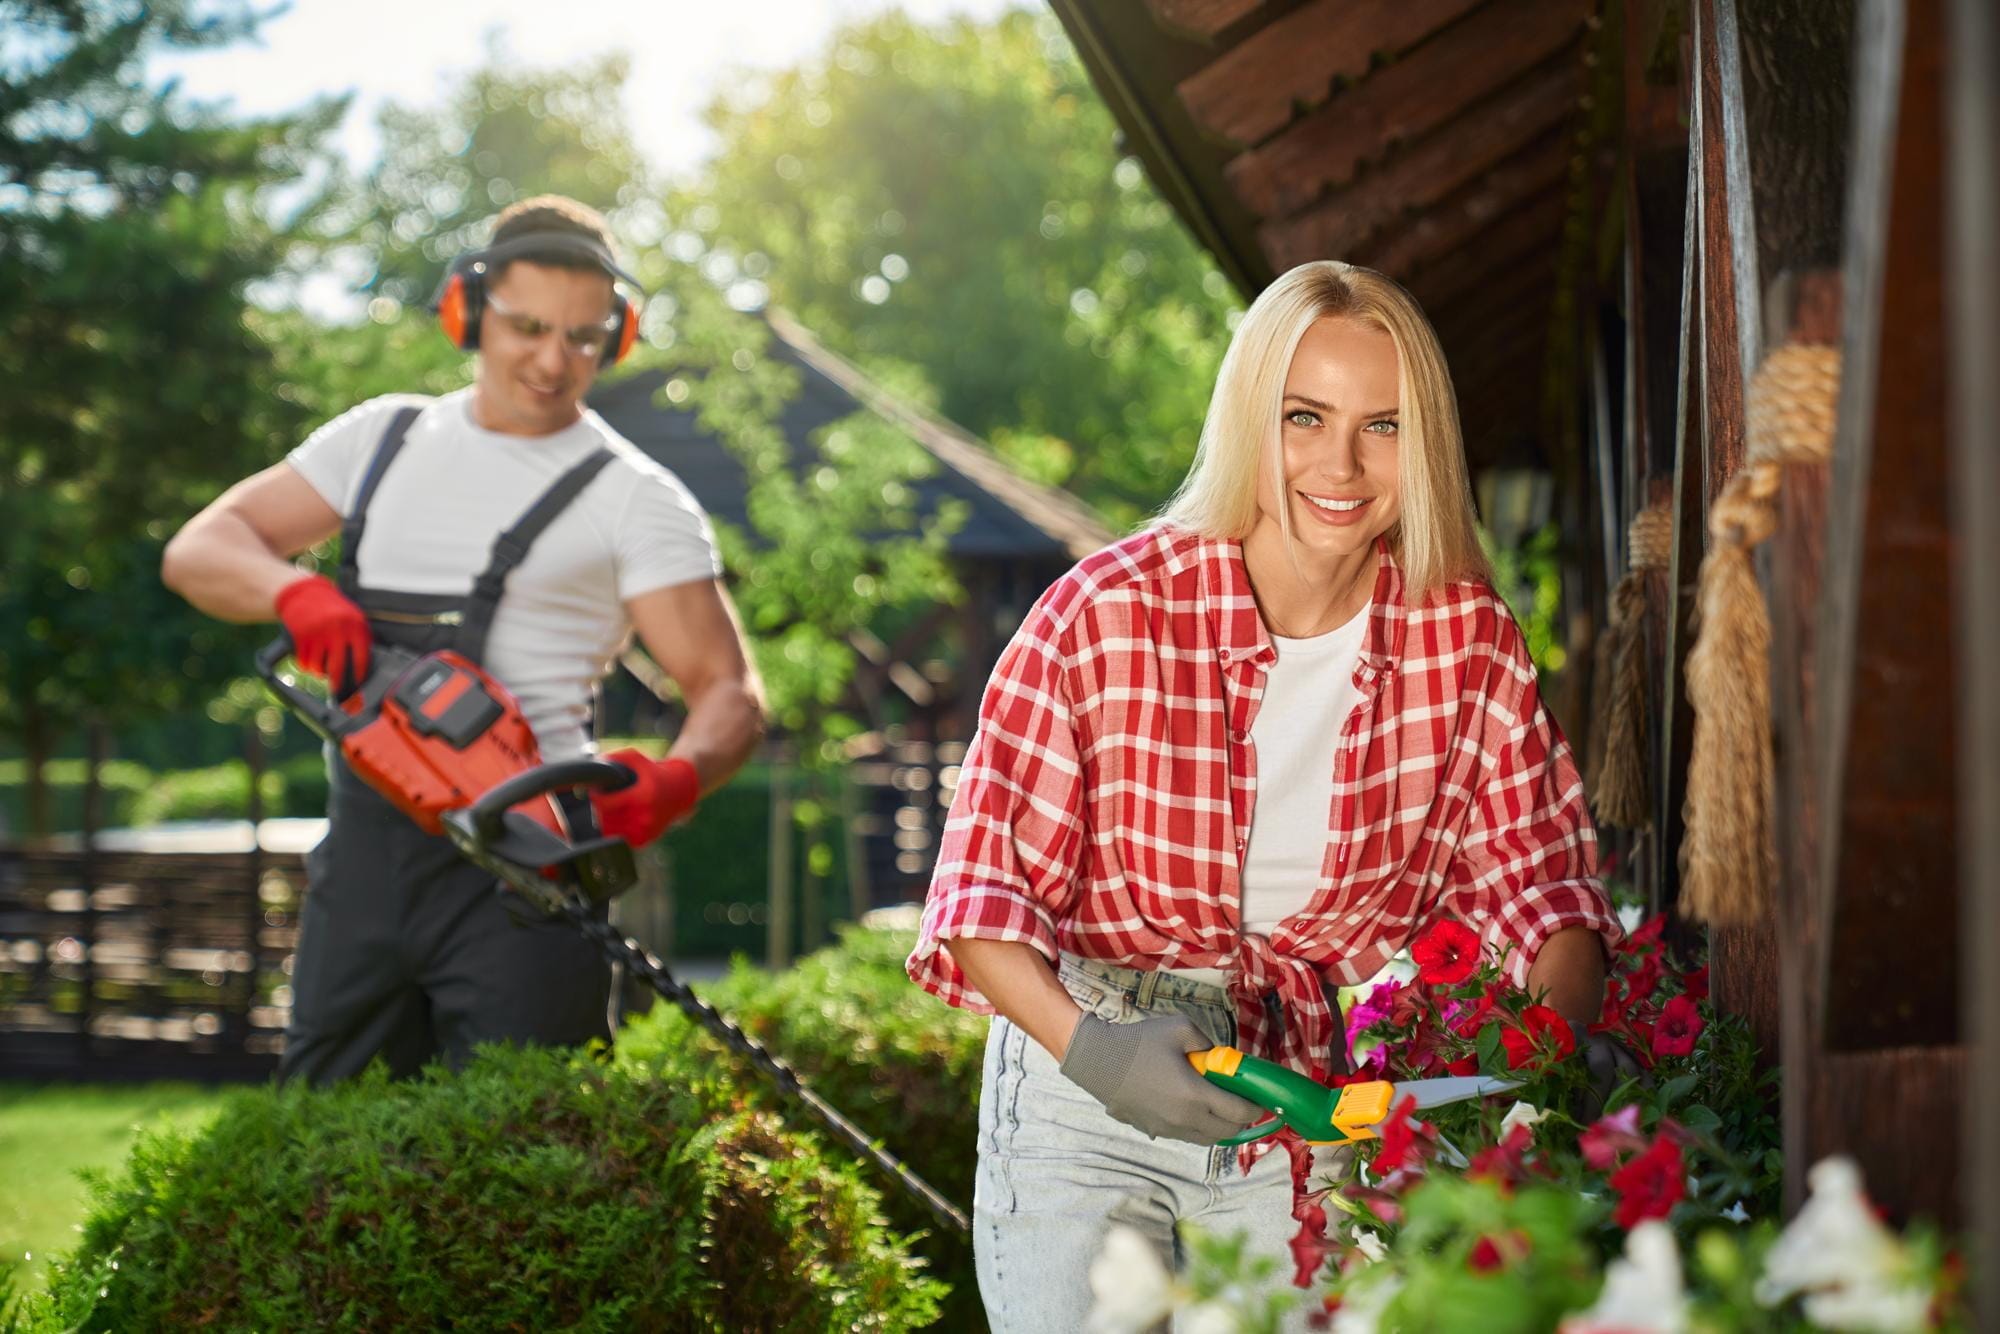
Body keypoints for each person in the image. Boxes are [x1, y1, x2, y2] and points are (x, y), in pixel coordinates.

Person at [907, 261, 1624, 1330]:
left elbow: (1540, 888)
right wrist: (1095, 1050)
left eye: (1380, 424)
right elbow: (980, 900)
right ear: (1251, 416)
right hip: (1084, 1073)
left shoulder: (1460, 636)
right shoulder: (1105, 614)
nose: (1338, 463)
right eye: (1303, 416)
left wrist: (1543, 1068)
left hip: (1291, 1089)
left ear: (1420, 442)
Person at [163, 195, 765, 1084]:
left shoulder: (634, 496)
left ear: (618, 337)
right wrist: (294, 595)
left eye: (584, 337)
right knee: (324, 1145)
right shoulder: (382, 439)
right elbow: (199, 550)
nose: (554, 360)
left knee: (534, 1154)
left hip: (527, 875)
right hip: (363, 866)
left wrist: (677, 780)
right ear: (468, 310)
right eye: (528, 327)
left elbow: (730, 691)